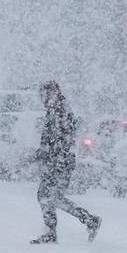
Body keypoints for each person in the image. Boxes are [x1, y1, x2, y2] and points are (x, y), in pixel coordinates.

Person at [30, 80, 101, 244]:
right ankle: (86, 221)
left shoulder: (60, 110)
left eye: (44, 93)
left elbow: (61, 139)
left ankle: (85, 221)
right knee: (49, 196)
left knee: (49, 196)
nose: (42, 97)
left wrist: (48, 154)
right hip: (56, 162)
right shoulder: (54, 109)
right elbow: (49, 139)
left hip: (60, 163)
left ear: (53, 92)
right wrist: (41, 152)